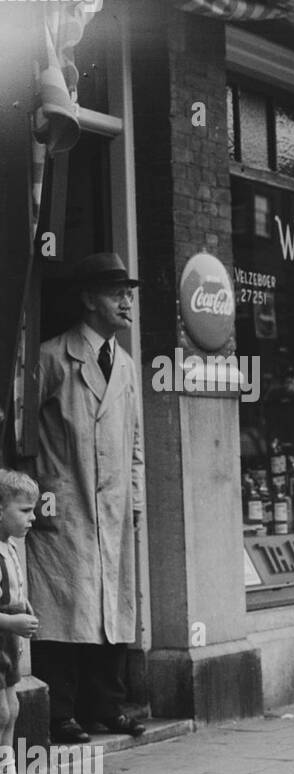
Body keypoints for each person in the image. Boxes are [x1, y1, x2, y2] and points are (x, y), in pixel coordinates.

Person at [26, 252, 146, 745]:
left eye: (128, 292)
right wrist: (37, 494)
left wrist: (134, 501)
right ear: (87, 299)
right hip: (65, 502)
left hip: (113, 509)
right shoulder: (53, 357)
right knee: (63, 609)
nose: (127, 301)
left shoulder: (129, 365)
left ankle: (107, 706)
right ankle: (62, 713)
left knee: (111, 609)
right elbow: (22, 433)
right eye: (116, 292)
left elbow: (136, 441)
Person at [0, 471, 47, 774]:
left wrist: (22, 606)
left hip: (7, 646)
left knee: (11, 709)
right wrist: (13, 620)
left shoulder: (11, 547)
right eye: (25, 510)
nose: (33, 518)